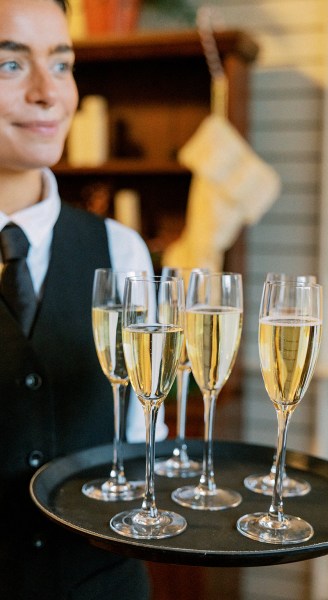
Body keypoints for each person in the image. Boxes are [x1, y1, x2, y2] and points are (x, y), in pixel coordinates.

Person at [0, 0, 166, 597]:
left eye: (62, 63)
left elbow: (148, 435)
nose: (50, 93)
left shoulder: (123, 252)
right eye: (9, 65)